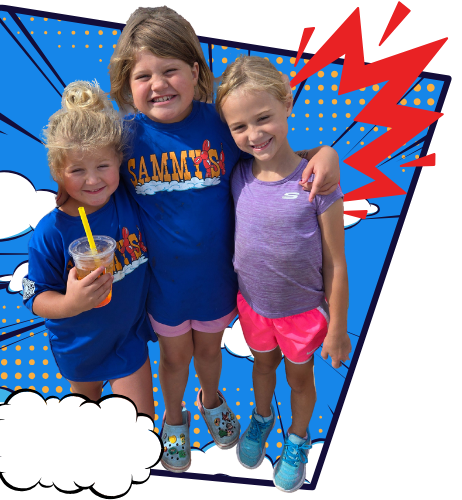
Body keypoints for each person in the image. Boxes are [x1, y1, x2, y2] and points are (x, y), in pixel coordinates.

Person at [105, 5, 341, 473]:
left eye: (170, 70)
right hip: (164, 286)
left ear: (195, 71)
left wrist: (328, 152)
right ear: (126, 86)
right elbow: (86, 167)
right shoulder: (124, 137)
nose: (158, 84)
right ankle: (175, 421)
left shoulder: (220, 122)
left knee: (209, 352)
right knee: (173, 361)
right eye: (143, 76)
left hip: (218, 282)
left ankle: (212, 400)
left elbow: (273, 151)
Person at [215, 55, 352, 493]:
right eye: (239, 127)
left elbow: (336, 262)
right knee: (261, 368)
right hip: (253, 308)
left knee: (299, 379)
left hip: (300, 314)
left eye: (263, 118)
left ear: (287, 103)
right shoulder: (237, 175)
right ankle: (261, 418)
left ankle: (297, 437)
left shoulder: (318, 184)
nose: (253, 134)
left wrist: (339, 329)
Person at [22, 80, 157, 419]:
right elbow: (33, 297)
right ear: (58, 173)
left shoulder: (126, 196)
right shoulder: (49, 234)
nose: (93, 180)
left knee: (140, 427)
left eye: (102, 167)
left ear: (119, 162)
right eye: (77, 170)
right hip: (79, 348)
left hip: (128, 339)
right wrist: (70, 302)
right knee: (87, 423)